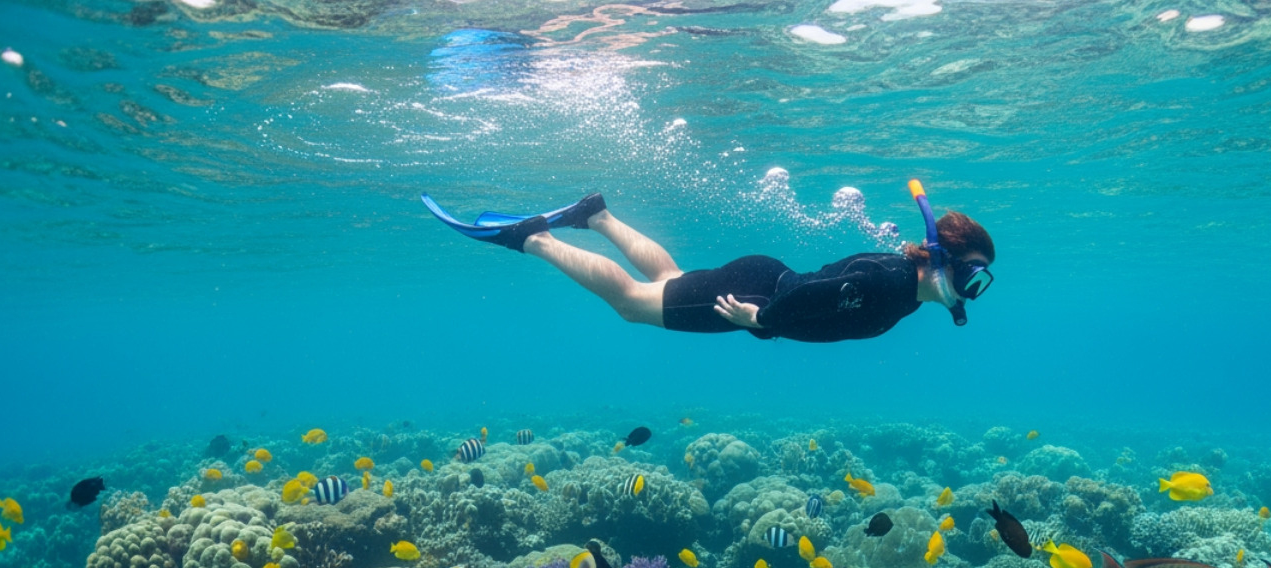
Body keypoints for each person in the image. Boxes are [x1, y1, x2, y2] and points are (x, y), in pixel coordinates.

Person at [421, 182, 995, 342]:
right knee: (630, 304)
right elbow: (815, 298)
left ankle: (596, 216)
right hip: (750, 298)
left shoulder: (905, 289)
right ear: (943, 258)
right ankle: (532, 239)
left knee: (668, 280)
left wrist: (767, 319)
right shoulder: (892, 280)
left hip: (757, 281)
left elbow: (826, 299)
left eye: (980, 283)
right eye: (972, 274)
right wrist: (760, 321)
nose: (972, 290)